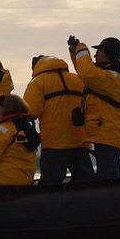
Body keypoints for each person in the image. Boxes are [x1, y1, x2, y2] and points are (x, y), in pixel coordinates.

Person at [68, 35, 120, 179]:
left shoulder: (111, 77)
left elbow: (87, 73)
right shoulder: (105, 75)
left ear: (106, 54)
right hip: (106, 132)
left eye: (98, 52)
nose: (94, 55)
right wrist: (75, 52)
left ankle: (115, 198)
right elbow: (84, 71)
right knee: (108, 172)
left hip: (108, 132)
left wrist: (82, 49)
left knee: (109, 176)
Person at [25, 54, 94, 186]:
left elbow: (32, 111)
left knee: (51, 185)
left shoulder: (38, 82)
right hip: (80, 138)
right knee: (87, 184)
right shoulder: (76, 78)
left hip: (54, 142)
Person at [0, 94, 40, 186]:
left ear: (5, 109)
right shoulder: (29, 128)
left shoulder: (3, 130)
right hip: (25, 179)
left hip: (2, 181)